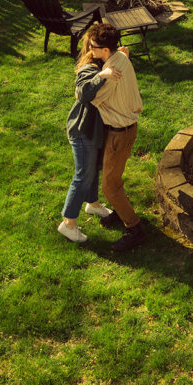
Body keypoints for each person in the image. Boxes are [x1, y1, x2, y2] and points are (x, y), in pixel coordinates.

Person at [87, 21, 147, 252]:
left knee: (109, 187)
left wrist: (101, 75)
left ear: (105, 50)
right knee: (114, 178)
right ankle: (121, 212)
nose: (90, 50)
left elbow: (86, 97)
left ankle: (135, 229)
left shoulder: (112, 74)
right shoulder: (121, 57)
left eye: (93, 47)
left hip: (118, 135)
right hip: (127, 128)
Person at [57, 30, 119, 245]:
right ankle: (68, 224)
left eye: (95, 47)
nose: (91, 50)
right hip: (83, 131)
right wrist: (102, 76)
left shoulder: (106, 60)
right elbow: (83, 93)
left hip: (96, 130)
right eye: (91, 46)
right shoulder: (89, 67)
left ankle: (92, 204)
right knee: (83, 174)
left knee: (93, 169)